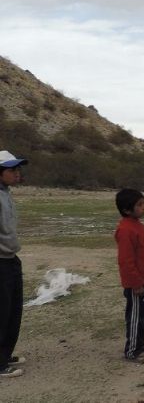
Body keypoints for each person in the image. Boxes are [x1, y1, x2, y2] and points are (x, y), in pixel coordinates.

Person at [114, 188, 144, 364]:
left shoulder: (137, 225)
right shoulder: (125, 230)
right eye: (139, 205)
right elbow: (126, 261)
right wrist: (135, 283)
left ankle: (140, 342)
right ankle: (132, 350)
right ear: (126, 210)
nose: (143, 207)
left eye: (143, 203)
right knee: (136, 315)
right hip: (136, 284)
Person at [0, 151, 28, 378]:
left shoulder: (6, 194)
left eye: (17, 169)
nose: (17, 174)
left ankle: (5, 353)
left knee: (13, 310)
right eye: (12, 170)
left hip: (10, 259)